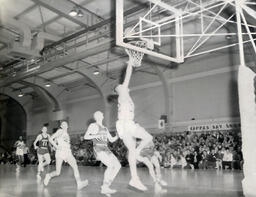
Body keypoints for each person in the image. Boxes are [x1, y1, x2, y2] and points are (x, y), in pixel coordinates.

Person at [115, 57, 153, 191]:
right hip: (125, 124)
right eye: (120, 87)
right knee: (145, 140)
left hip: (127, 124)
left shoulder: (126, 97)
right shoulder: (123, 94)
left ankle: (134, 179)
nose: (123, 86)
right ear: (119, 90)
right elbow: (127, 78)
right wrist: (130, 64)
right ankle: (135, 178)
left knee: (146, 140)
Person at [84, 111, 121, 195]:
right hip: (98, 148)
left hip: (106, 148)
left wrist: (118, 136)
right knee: (111, 166)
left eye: (102, 114)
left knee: (118, 166)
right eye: (101, 114)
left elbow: (111, 140)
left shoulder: (105, 128)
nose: (103, 115)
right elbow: (86, 136)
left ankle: (106, 186)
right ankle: (105, 187)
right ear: (97, 116)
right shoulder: (93, 125)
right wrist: (96, 136)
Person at [43, 121, 88, 190]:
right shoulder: (60, 131)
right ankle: (48, 176)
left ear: (67, 126)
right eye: (62, 124)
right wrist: (56, 147)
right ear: (61, 126)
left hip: (67, 152)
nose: (64, 125)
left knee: (75, 166)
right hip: (60, 152)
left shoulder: (66, 134)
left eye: (65, 124)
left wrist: (54, 146)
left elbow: (56, 141)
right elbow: (50, 139)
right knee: (58, 172)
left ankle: (79, 183)